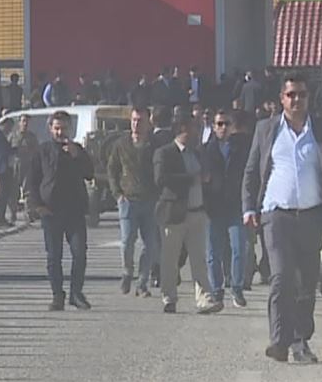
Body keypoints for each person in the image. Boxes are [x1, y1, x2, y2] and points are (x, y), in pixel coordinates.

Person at [242, 72, 322, 365]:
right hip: (276, 215)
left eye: (301, 95)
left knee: (306, 283)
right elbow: (252, 172)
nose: (296, 100)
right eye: (291, 95)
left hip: (312, 216)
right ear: (282, 99)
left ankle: (300, 341)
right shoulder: (266, 129)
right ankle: (279, 341)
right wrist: (249, 208)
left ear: (308, 98)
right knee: (281, 277)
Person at [23, 111, 93, 311]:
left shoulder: (77, 150)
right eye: (57, 128)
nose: (60, 132)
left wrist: (77, 155)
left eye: (64, 128)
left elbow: (89, 173)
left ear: (70, 129)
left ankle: (76, 293)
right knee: (54, 256)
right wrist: (37, 206)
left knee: (79, 253)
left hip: (74, 210)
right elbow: (32, 181)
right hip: (51, 211)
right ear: (50, 129)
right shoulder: (42, 151)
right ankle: (57, 295)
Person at [153, 115, 219, 315]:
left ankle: (205, 299)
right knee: (170, 260)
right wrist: (191, 179)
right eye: (194, 128)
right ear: (183, 129)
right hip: (174, 214)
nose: (198, 132)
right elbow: (161, 179)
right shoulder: (165, 153)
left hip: (197, 212)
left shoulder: (197, 153)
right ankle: (169, 297)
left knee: (199, 260)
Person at [106, 107, 160, 298]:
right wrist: (117, 194)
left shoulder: (154, 145)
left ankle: (142, 282)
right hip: (128, 200)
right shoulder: (121, 144)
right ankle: (127, 272)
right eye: (134, 120)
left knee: (150, 244)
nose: (136, 124)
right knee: (127, 240)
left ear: (148, 123)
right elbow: (112, 169)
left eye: (140, 120)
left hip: (150, 200)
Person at [202, 110, 252, 309]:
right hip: (213, 207)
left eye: (227, 124)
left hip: (235, 206)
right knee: (213, 252)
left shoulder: (241, 148)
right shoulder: (206, 150)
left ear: (233, 127)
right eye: (219, 124)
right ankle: (216, 289)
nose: (223, 128)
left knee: (239, 248)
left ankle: (237, 287)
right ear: (213, 127)